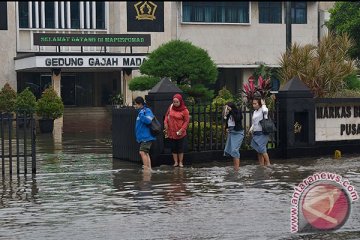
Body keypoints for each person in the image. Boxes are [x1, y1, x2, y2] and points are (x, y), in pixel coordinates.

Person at [164, 94, 190, 167]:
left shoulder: (185, 110)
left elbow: (186, 121)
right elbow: (166, 115)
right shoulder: (171, 107)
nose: (175, 103)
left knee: (180, 148)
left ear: (180, 101)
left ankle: (180, 162)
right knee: (173, 148)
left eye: (177, 102)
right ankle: (175, 162)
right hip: (171, 131)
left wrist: (182, 129)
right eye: (174, 102)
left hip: (180, 132)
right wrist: (165, 122)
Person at [133, 96, 156, 171]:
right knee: (146, 153)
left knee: (142, 152)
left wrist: (142, 115)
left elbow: (149, 120)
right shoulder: (140, 112)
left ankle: (146, 169)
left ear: (140, 104)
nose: (135, 106)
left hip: (147, 136)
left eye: (136, 104)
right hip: (143, 137)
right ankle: (149, 168)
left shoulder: (146, 111)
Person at [249, 98, 271, 166]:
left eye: (255, 103)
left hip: (263, 132)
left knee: (262, 149)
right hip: (256, 133)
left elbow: (265, 112)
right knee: (258, 150)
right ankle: (261, 164)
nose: (254, 105)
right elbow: (254, 122)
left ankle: (268, 163)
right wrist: (251, 129)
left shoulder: (263, 110)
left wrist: (264, 104)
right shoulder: (255, 112)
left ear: (259, 104)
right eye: (253, 103)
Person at [223, 102, 244, 171]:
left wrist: (231, 110)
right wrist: (226, 128)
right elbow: (227, 123)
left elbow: (237, 118)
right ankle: (235, 167)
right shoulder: (228, 114)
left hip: (238, 133)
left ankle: (237, 168)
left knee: (235, 150)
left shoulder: (237, 112)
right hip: (231, 133)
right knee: (231, 150)